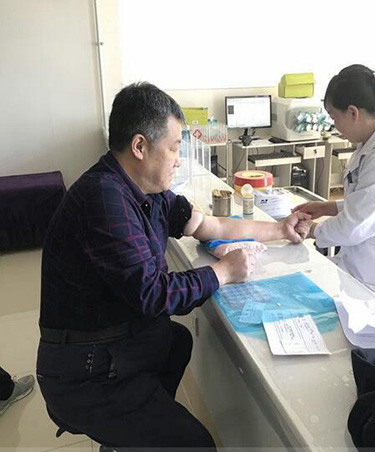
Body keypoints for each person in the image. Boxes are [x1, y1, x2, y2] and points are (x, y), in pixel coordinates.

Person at [36, 82, 309, 450]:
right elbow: (153, 294)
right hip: (83, 367)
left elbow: (212, 226)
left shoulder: (147, 192)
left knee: (174, 341)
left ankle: (133, 437)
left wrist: (279, 229)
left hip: (111, 338)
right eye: (174, 147)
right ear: (139, 146)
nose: (179, 159)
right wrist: (224, 272)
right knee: (196, 443)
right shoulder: (104, 198)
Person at [294, 64, 375, 291]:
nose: (334, 125)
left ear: (353, 113)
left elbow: (355, 226)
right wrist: (328, 207)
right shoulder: (371, 143)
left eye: (334, 117)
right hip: (362, 259)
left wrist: (312, 229)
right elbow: (366, 200)